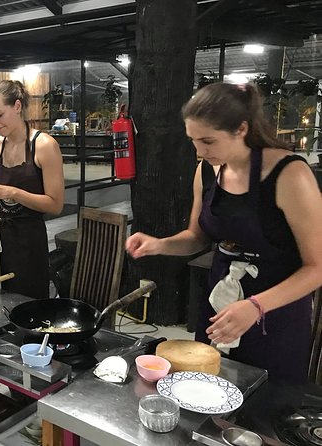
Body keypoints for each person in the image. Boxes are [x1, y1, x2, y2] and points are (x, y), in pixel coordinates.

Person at [125, 82, 322, 383]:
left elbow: (316, 268)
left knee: (265, 409)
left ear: (241, 129)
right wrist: (159, 244)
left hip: (275, 312)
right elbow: (198, 237)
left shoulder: (290, 174)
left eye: (208, 141)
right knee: (209, 391)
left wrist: (256, 306)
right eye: (193, 141)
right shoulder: (207, 170)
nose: (199, 151)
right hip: (221, 301)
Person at [0, 80, 64, 299]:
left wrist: (12, 192)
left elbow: (55, 205)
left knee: (29, 306)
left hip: (30, 243)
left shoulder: (44, 145)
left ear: (17, 106)